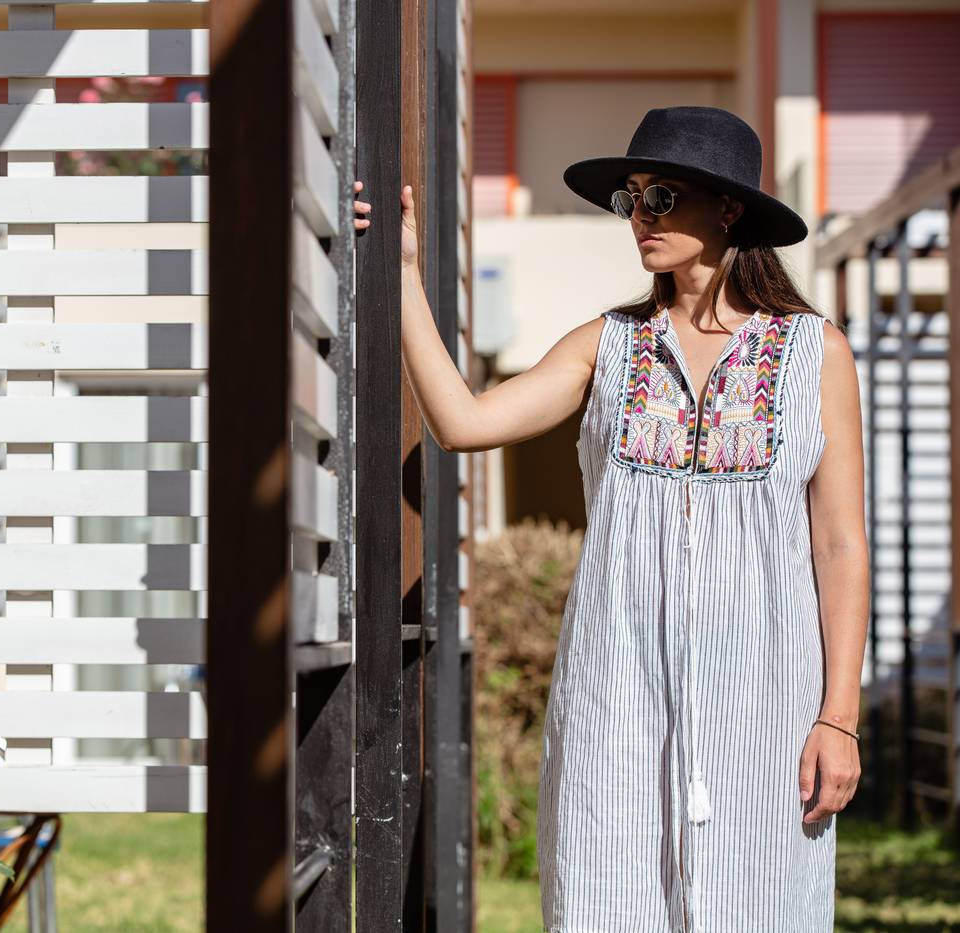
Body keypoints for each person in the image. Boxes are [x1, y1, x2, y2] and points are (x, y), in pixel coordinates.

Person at [352, 105, 868, 932]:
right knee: (607, 903)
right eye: (632, 200)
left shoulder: (815, 353)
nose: (641, 220)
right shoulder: (608, 346)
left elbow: (841, 544)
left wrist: (838, 715)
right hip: (616, 711)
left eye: (662, 197)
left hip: (767, 716)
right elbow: (464, 422)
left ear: (728, 209)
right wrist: (402, 275)